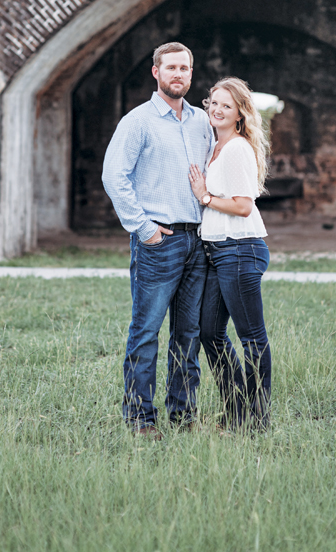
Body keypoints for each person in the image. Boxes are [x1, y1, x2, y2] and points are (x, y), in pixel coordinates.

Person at [102, 42, 214, 436]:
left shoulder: (202, 123)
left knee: (188, 335)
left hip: (197, 242)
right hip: (159, 243)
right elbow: (114, 176)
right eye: (171, 68)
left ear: (191, 73)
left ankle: (183, 417)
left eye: (184, 68)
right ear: (156, 72)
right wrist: (143, 228)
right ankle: (140, 419)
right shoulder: (138, 121)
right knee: (146, 332)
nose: (178, 74)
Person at [188, 76, 271, 431]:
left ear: (240, 114)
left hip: (240, 248)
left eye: (227, 105)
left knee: (252, 339)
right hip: (217, 251)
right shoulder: (214, 147)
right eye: (214, 102)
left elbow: (242, 205)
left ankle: (257, 420)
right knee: (209, 332)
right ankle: (236, 410)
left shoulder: (237, 148)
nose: (218, 110)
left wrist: (204, 197)